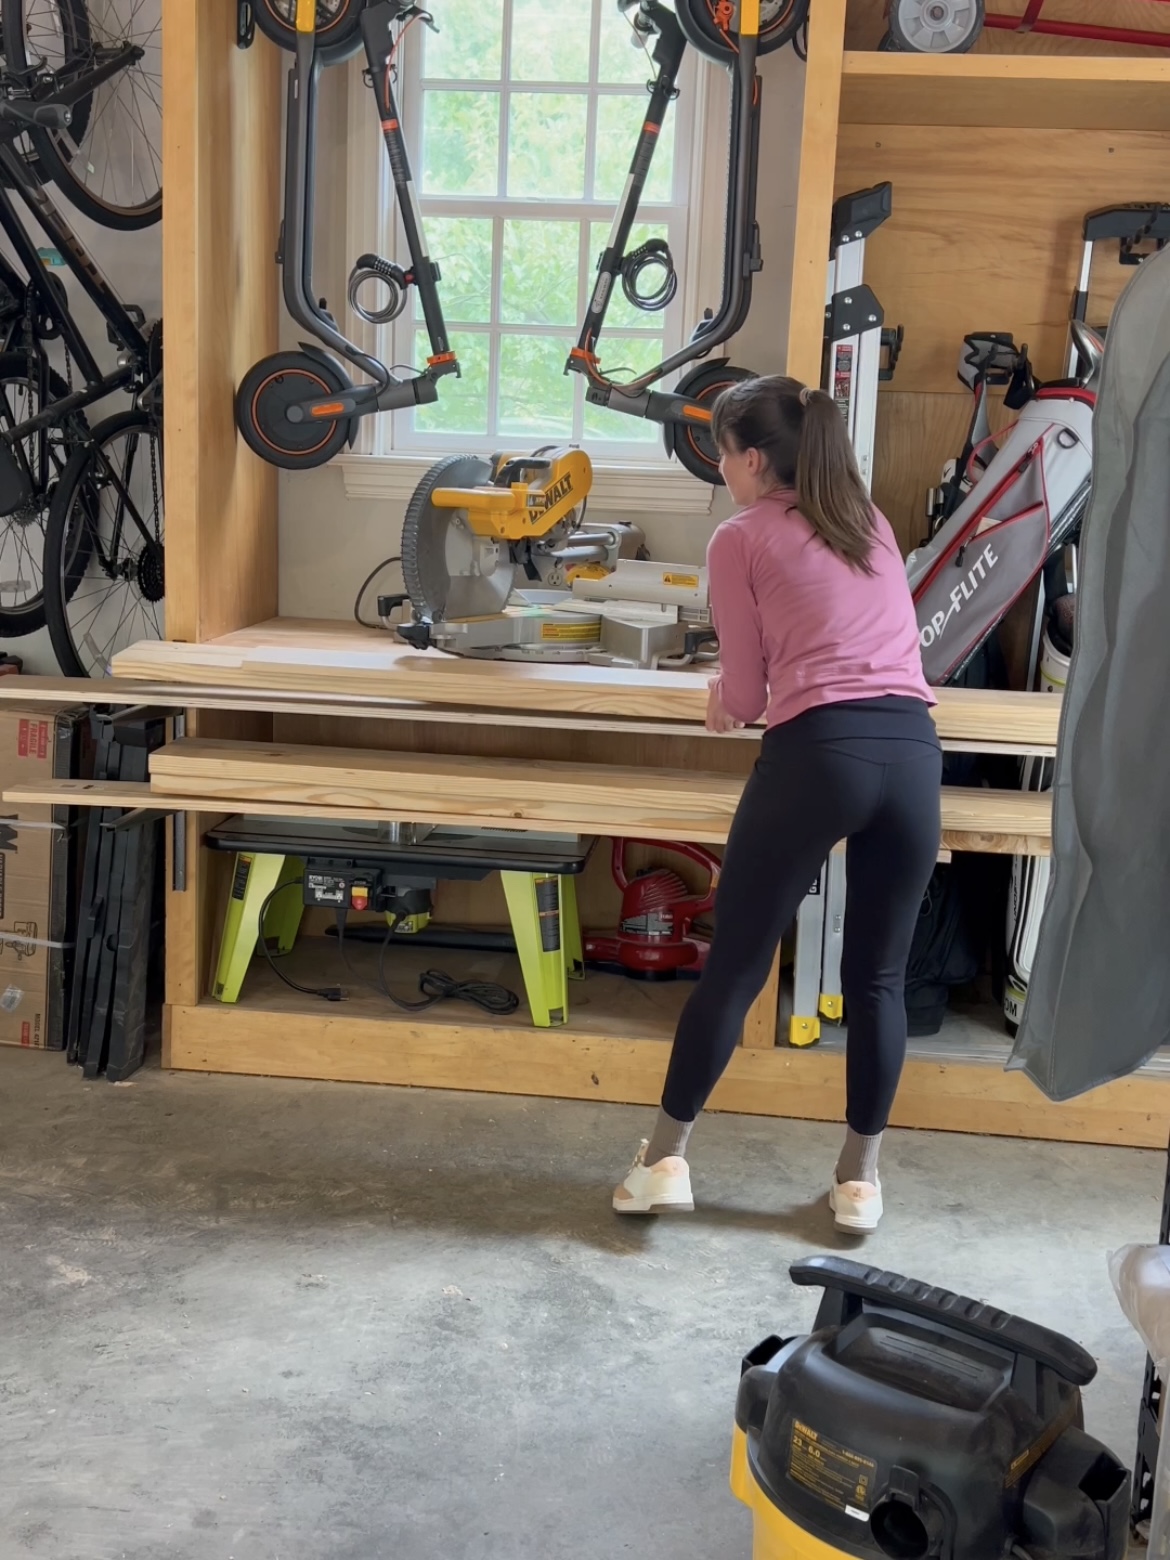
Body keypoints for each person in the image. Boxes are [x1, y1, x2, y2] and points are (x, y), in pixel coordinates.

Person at [612, 375, 941, 1232]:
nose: (721, 469)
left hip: (818, 756)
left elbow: (751, 695)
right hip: (910, 757)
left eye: (722, 453)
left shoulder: (741, 536)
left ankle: (662, 1164)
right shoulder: (866, 521)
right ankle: (859, 1183)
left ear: (752, 459)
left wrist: (724, 694)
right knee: (878, 979)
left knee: (736, 966)